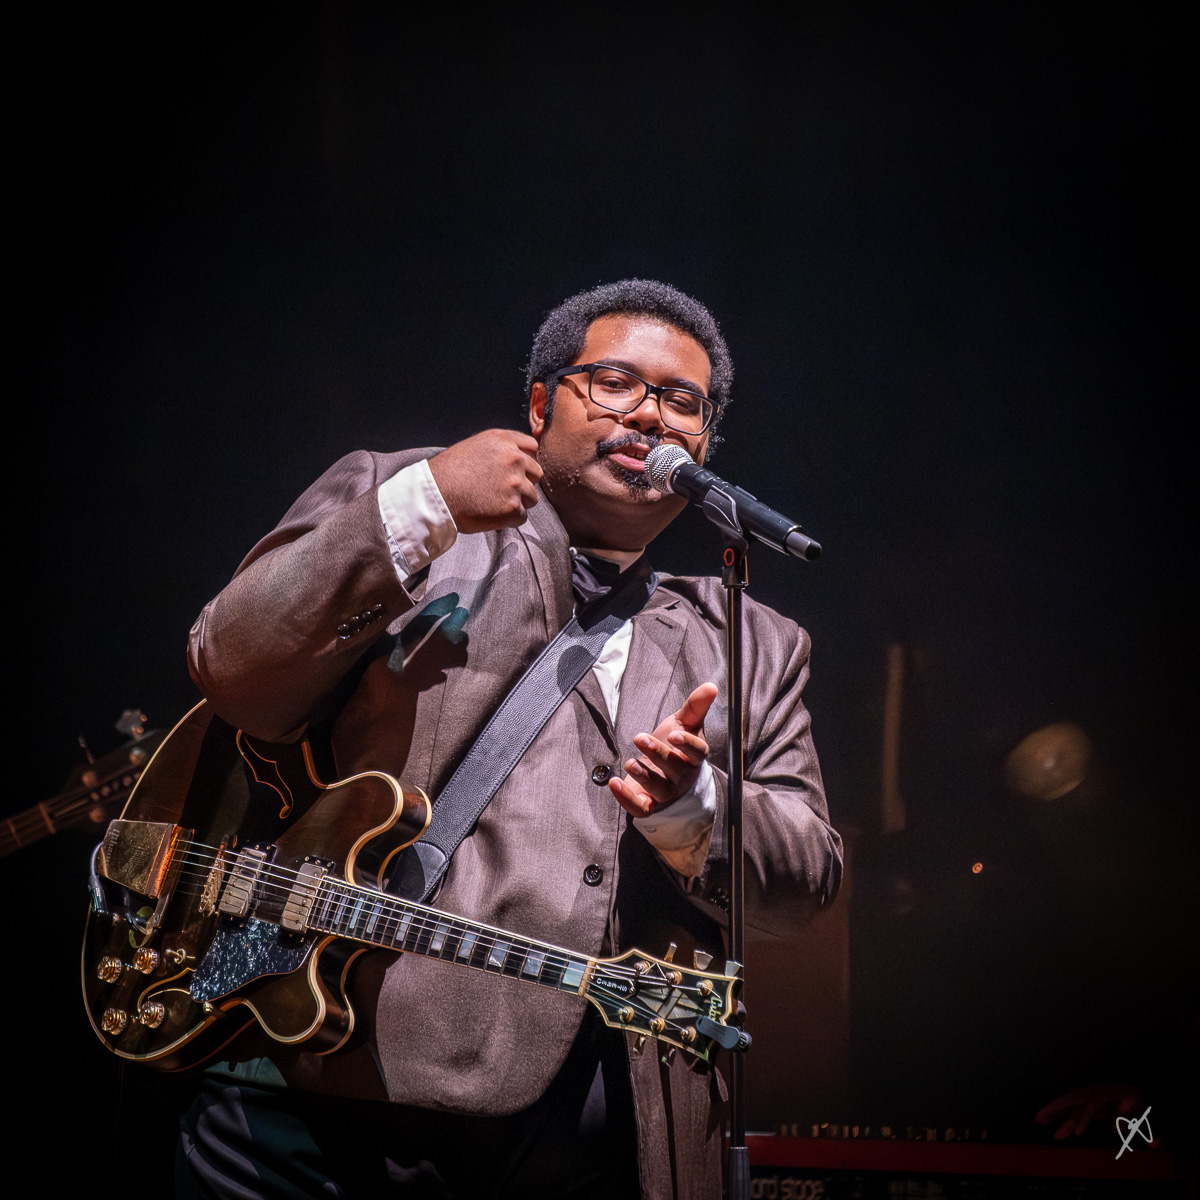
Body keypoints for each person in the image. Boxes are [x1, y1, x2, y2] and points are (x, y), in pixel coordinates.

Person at [180, 279, 842, 1199]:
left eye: (683, 401)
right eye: (614, 383)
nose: (649, 414)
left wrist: (694, 810)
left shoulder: (751, 642)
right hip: (325, 1074)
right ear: (539, 406)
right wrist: (424, 503)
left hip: (594, 1126)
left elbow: (807, 884)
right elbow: (230, 664)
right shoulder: (410, 501)